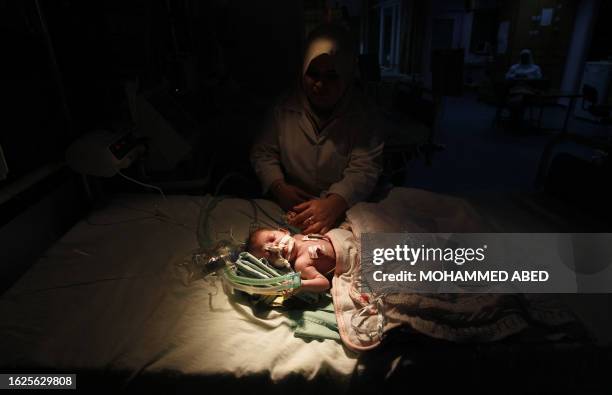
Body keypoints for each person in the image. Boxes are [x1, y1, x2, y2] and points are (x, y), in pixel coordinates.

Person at [250, 24, 384, 235]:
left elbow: (365, 167)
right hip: (293, 206)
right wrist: (278, 187)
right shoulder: (282, 109)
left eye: (332, 76)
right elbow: (263, 153)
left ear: (347, 75)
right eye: (313, 74)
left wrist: (337, 202)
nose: (320, 85)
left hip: (347, 207)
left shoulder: (364, 115)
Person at [247, 227, 336, 293]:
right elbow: (325, 283)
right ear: (275, 265)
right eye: (269, 253)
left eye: (272, 239)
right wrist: (301, 284)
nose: (275, 247)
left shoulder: (299, 236)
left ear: (284, 231)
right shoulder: (301, 264)